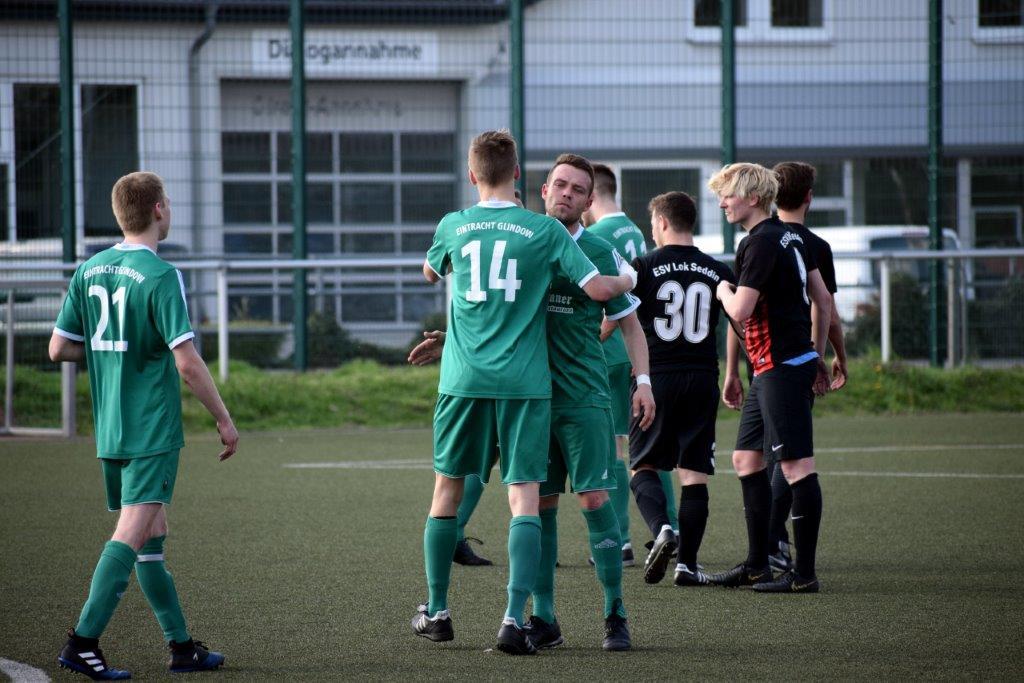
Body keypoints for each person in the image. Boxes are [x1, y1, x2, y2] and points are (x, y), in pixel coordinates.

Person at [410, 130, 636, 655]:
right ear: (520, 176)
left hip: (464, 381)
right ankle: (514, 618)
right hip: (525, 383)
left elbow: (430, 272)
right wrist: (628, 278)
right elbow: (599, 289)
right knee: (526, 500)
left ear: (471, 174)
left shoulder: (453, 224)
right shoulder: (543, 231)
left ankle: (437, 610)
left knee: (448, 491)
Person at [49, 171, 239, 679]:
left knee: (152, 535)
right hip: (150, 428)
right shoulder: (160, 275)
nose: (169, 208)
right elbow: (187, 362)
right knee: (131, 533)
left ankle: (182, 647)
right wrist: (224, 419)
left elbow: (59, 347)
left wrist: (113, 350)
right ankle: (82, 642)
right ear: (158, 210)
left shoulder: (89, 269)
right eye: (168, 201)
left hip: (111, 429)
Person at [528, 154, 654, 652]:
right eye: (559, 184)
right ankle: (544, 618)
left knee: (594, 499)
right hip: (531, 397)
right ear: (544, 190)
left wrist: (644, 382)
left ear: (588, 201)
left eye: (578, 189)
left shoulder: (600, 250)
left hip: (584, 397)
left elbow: (631, 326)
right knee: (537, 505)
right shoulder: (524, 242)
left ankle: (614, 612)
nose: (567, 193)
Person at [708, 162, 831, 593]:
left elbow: (740, 310)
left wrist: (721, 289)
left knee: (797, 466)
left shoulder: (759, 242)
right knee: (746, 459)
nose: (722, 203)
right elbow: (822, 299)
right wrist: (817, 353)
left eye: (728, 195)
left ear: (754, 198)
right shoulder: (790, 236)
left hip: (781, 366)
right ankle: (757, 564)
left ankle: (804, 575)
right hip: (772, 367)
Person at [615, 191, 736, 587]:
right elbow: (739, 323)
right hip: (702, 377)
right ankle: (687, 565)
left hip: (657, 377)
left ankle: (662, 528)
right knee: (694, 474)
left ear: (663, 222)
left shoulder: (644, 266)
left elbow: (615, 317)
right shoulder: (717, 269)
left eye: (653, 223)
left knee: (643, 465)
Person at [585, 163, 679, 566]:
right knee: (648, 448)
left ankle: (620, 540)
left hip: (608, 352)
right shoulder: (633, 230)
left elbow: (610, 299)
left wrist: (591, 338)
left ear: (591, 196)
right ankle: (670, 527)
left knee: (614, 446)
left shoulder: (598, 236)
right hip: (634, 351)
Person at [761, 161, 849, 571]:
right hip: (793, 361)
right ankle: (773, 539)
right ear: (809, 197)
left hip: (762, 360)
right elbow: (826, 309)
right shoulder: (814, 245)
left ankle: (771, 541)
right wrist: (830, 356)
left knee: (769, 452)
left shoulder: (761, 237)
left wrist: (734, 366)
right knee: (789, 454)